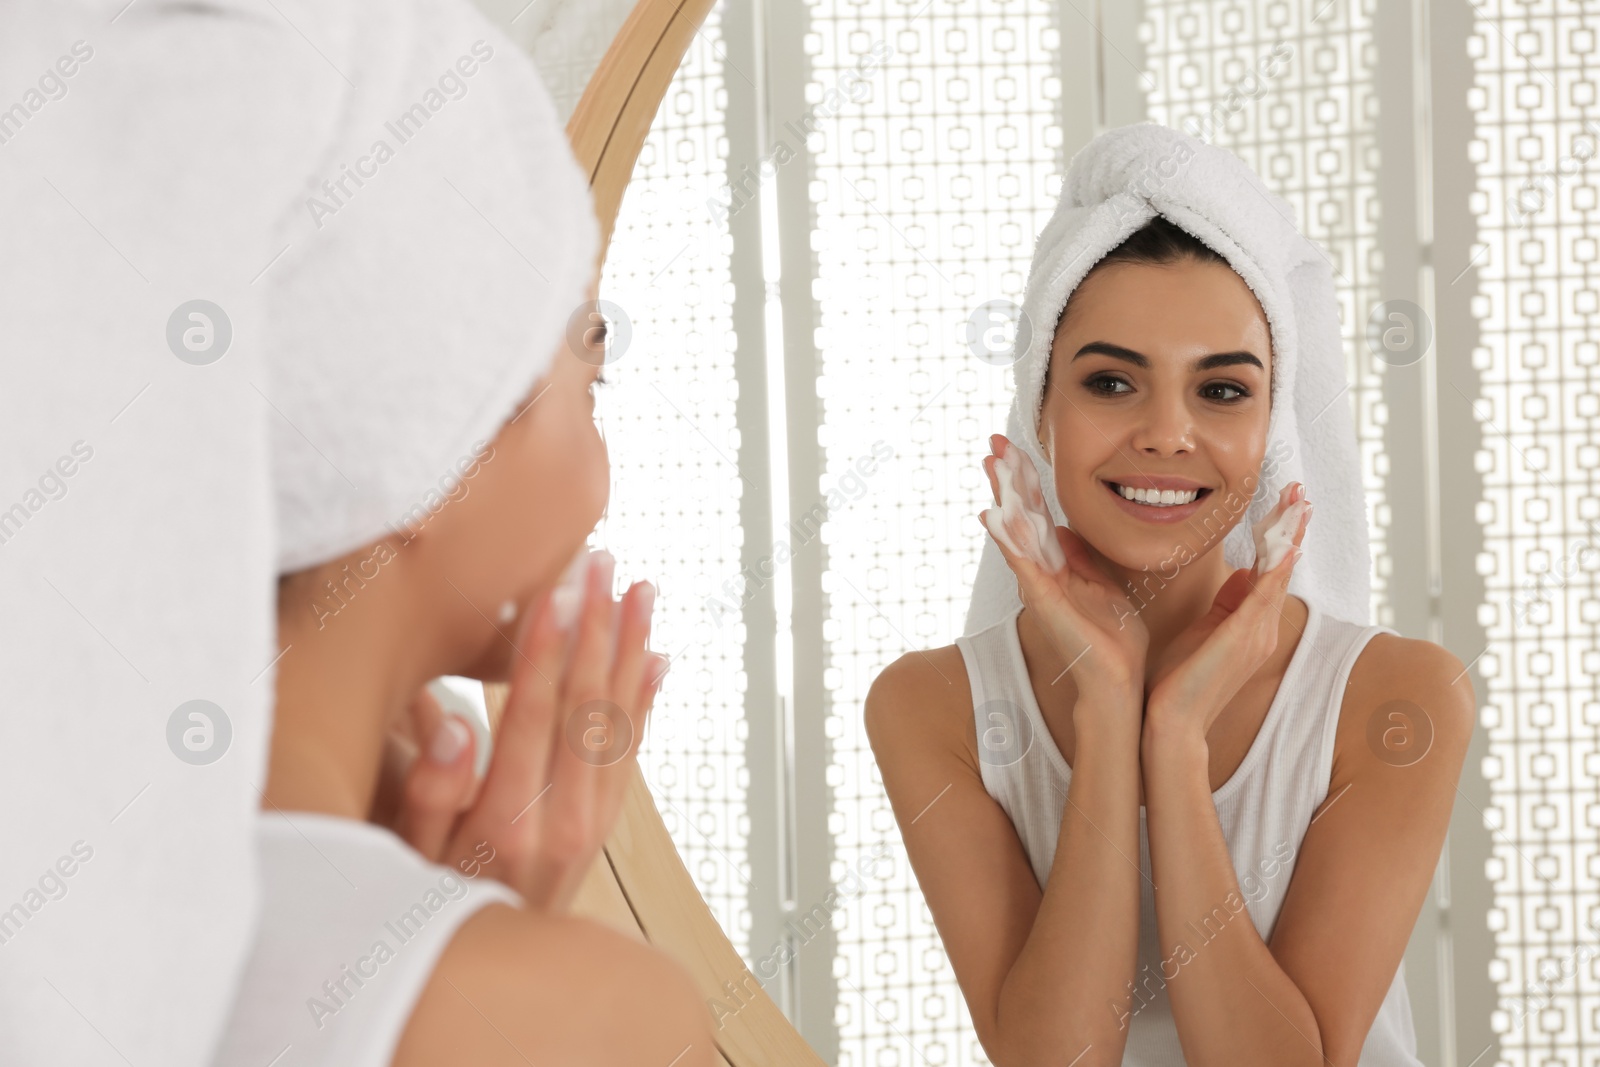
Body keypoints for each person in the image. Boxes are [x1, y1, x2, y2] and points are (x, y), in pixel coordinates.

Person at [865, 126, 1475, 1065]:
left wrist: (1176, 739)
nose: (1166, 434)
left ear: (1272, 427)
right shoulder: (930, 707)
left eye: (1222, 390)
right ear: (1040, 407)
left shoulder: (1399, 699)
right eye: (1112, 381)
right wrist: (1110, 712)